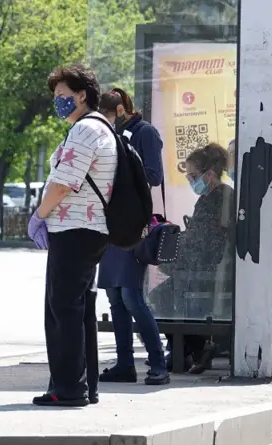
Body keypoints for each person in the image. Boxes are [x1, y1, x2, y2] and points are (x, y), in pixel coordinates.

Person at [28, 65, 117, 407]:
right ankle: (85, 384)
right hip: (90, 228)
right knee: (79, 309)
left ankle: (67, 388)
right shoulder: (102, 128)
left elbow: (64, 182)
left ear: (82, 95)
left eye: (63, 96)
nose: (58, 103)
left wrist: (39, 215)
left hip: (75, 228)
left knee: (62, 307)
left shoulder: (84, 131)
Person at [96, 88, 169, 385]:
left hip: (133, 222)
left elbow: (154, 175)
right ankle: (124, 362)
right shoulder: (106, 135)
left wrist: (126, 157)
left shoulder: (144, 133)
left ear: (121, 111)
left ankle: (158, 362)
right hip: (112, 223)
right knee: (114, 295)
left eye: (109, 116)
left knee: (132, 296)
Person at [148, 143, 235, 375]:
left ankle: (188, 350)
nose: (190, 182)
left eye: (193, 176)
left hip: (208, 268)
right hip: (207, 265)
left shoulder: (216, 199)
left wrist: (169, 257)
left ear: (209, 174)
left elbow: (203, 244)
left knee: (159, 296)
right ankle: (186, 349)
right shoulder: (216, 196)